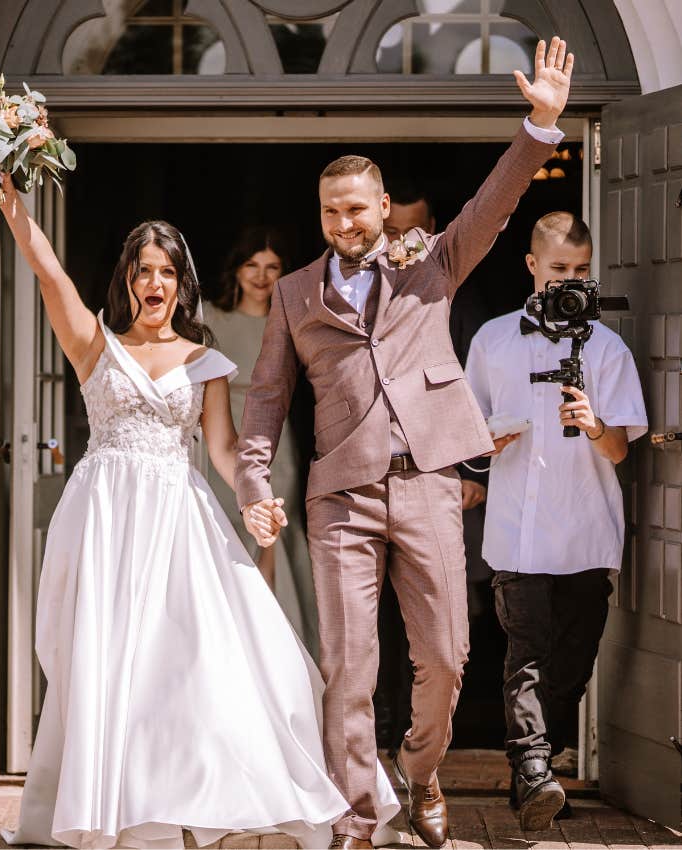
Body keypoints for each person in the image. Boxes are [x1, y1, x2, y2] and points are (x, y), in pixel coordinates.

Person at [0, 166, 401, 849]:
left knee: (195, 659)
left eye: (167, 271)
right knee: (111, 661)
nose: (155, 283)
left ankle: (191, 796)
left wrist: (257, 498)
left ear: (182, 283)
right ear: (128, 280)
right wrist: (8, 198)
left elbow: (228, 451)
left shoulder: (204, 361)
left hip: (178, 519)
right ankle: (116, 807)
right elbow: (47, 269)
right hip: (107, 521)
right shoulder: (94, 345)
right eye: (144, 270)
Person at [235, 38, 575, 850]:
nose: (345, 222)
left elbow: (496, 202)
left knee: (449, 658)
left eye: (357, 207)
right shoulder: (293, 294)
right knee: (349, 670)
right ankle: (356, 817)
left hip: (428, 483)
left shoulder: (433, 264)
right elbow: (267, 398)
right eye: (331, 211)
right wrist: (254, 484)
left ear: (384, 208)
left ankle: (419, 772)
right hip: (342, 499)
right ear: (321, 218)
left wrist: (541, 125)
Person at [464, 212, 647, 830]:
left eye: (581, 271)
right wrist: (486, 446)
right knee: (526, 656)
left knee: (572, 661)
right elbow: (469, 432)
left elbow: (620, 450)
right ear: (532, 266)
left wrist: (595, 423)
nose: (570, 279)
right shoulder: (492, 340)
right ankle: (536, 767)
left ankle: (531, 775)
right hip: (517, 530)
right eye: (560, 269)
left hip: (588, 530)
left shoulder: (608, 347)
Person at [374, 187, 492, 753]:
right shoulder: (356, 293)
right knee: (381, 620)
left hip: (447, 482)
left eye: (411, 231)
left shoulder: (460, 300)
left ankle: (439, 742)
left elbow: (476, 390)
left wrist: (474, 474)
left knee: (447, 626)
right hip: (372, 484)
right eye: (390, 231)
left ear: (435, 230)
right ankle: (383, 727)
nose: (399, 243)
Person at [203, 227, 319, 657]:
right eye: (252, 265)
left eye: (272, 267)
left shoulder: (289, 320)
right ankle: (228, 644)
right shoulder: (208, 319)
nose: (261, 276)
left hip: (274, 443)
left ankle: (273, 647)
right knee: (221, 537)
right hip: (216, 438)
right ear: (235, 269)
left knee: (271, 536)